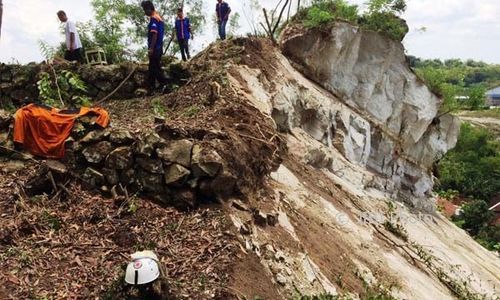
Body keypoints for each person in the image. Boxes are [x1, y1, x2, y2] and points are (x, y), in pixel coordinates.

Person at [141, 1, 169, 94]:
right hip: (159, 47)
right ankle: (151, 88)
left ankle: (165, 84)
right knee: (152, 67)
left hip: (155, 48)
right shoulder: (159, 18)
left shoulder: (154, 19)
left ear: (149, 8)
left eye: (145, 10)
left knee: (155, 68)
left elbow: (154, 34)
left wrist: (151, 48)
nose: (145, 12)